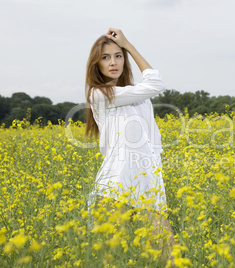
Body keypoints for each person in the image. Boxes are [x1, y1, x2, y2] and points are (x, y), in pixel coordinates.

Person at [84, 28, 174, 261]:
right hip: (116, 181)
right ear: (97, 65)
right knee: (114, 257)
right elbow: (156, 83)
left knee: (167, 253)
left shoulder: (138, 97)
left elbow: (154, 144)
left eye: (118, 55)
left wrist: (156, 180)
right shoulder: (99, 94)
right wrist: (128, 45)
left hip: (146, 180)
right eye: (105, 57)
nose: (113, 62)